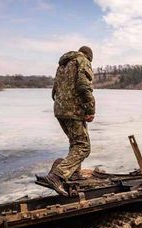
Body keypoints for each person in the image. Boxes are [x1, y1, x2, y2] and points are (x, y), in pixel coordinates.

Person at [38, 46, 95, 196]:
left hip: (60, 109)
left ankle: (73, 173)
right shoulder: (82, 60)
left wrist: (61, 105)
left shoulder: (62, 65)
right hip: (73, 109)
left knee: (75, 143)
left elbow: (54, 89)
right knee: (83, 147)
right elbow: (83, 86)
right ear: (89, 56)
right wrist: (90, 110)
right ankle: (57, 176)